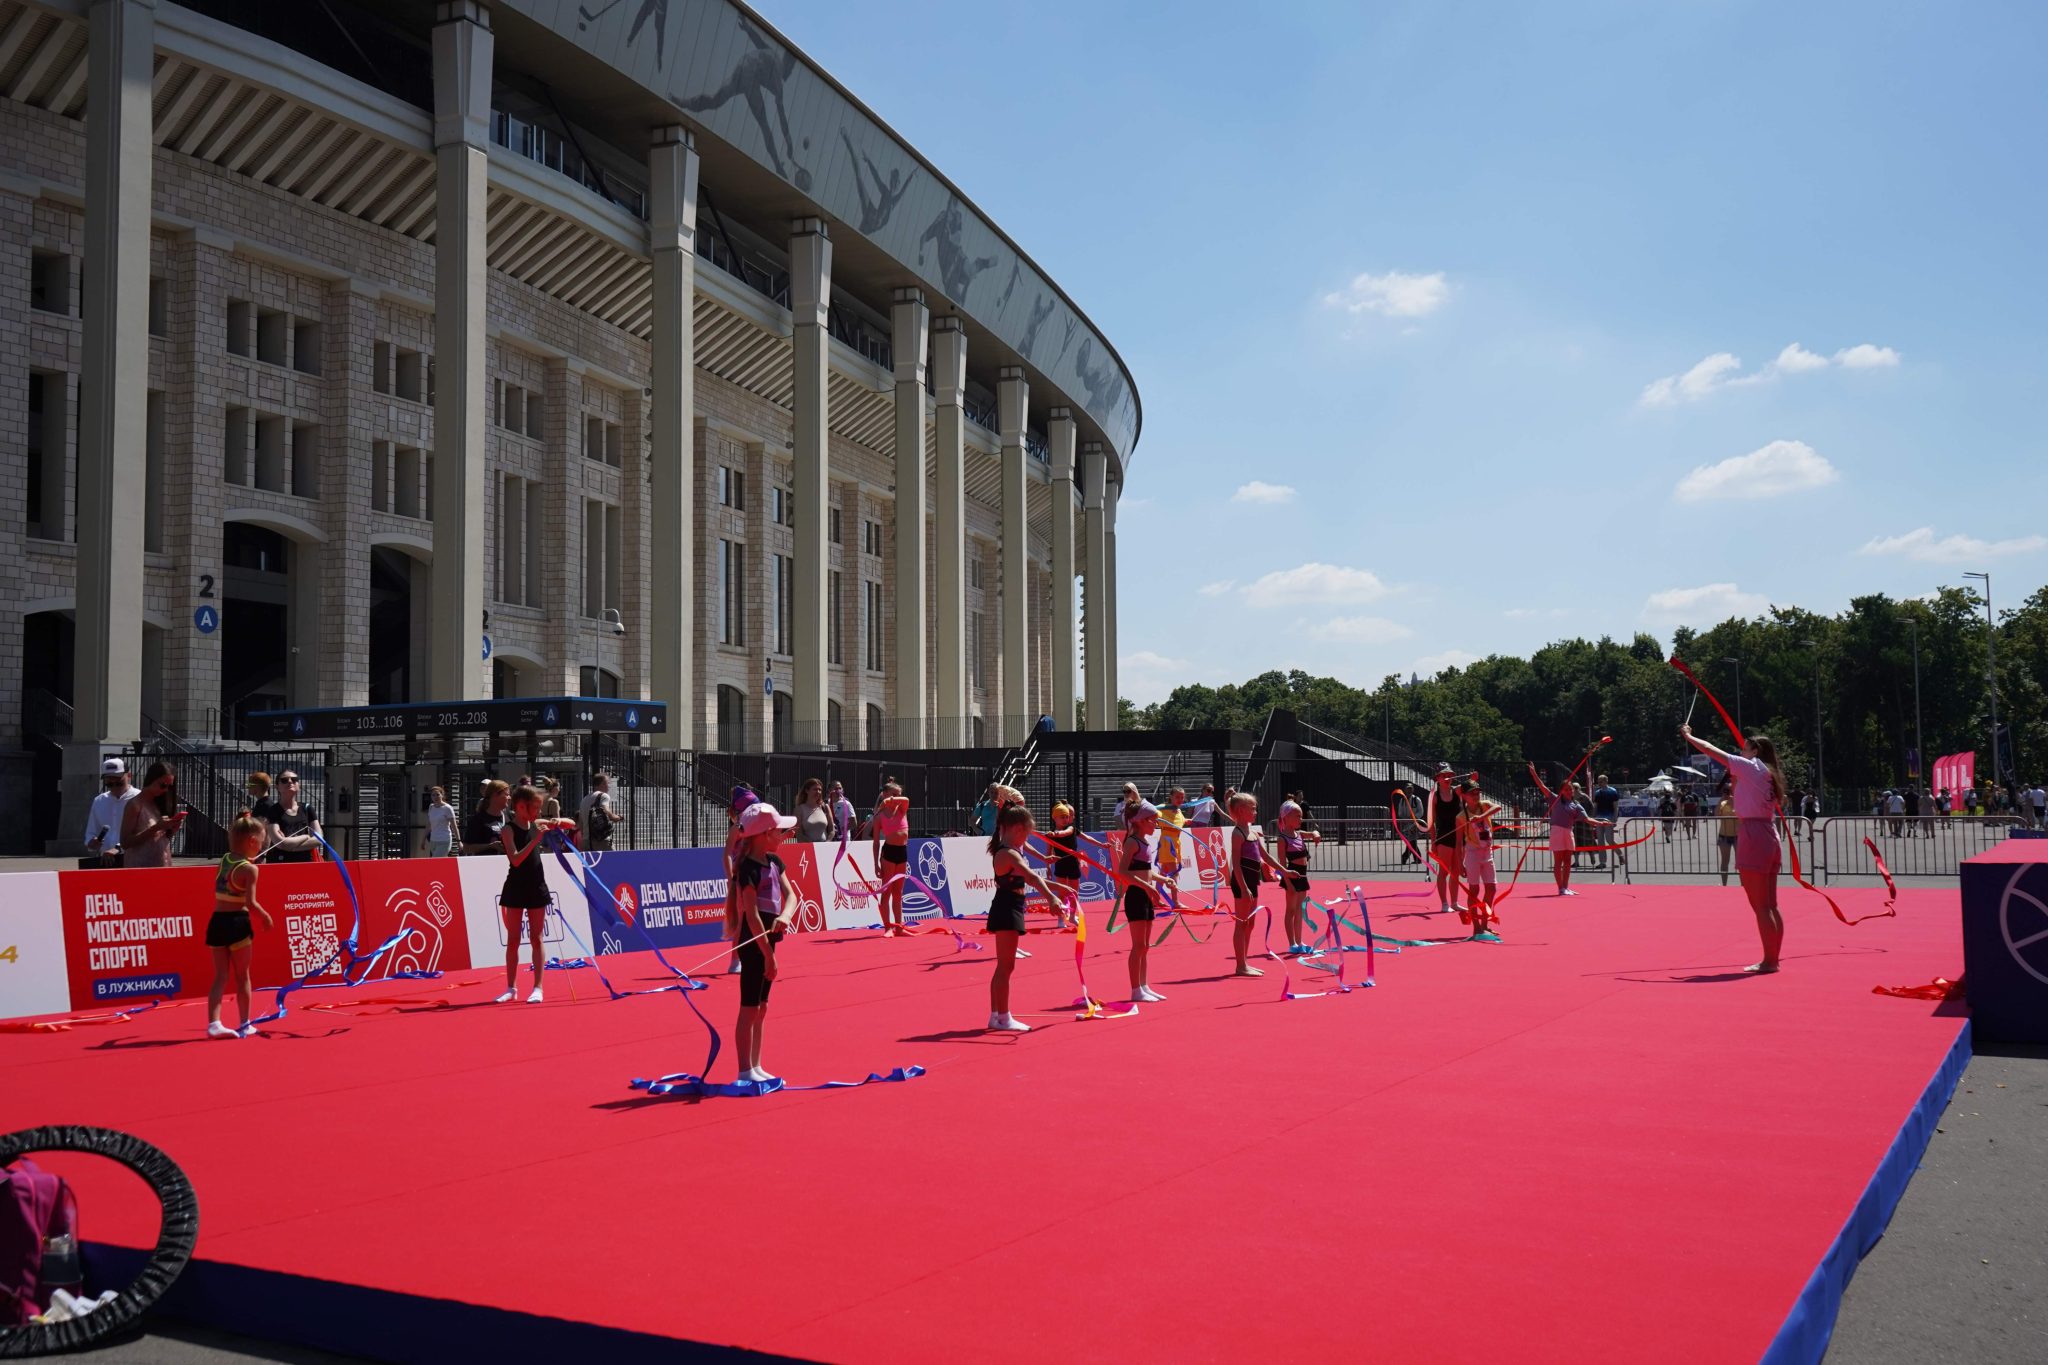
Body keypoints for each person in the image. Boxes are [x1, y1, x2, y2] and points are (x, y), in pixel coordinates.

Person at [1681, 724, 1787, 974]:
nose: (1741, 752)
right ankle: (1773, 958)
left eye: (1745, 748)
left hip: (1753, 834)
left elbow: (1709, 750)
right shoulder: (1767, 772)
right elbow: (1740, 791)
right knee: (1770, 904)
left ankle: (1769, 961)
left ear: (1755, 750)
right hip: (1768, 833)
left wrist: (1688, 735)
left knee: (1760, 905)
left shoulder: (1752, 767)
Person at [729, 802, 801, 1084]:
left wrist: (785, 915)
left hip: (771, 937)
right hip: (754, 941)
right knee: (749, 1006)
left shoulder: (774, 862)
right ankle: (744, 1068)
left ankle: (756, 1064)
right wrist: (768, 956)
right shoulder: (746, 868)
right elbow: (751, 912)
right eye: (778, 832)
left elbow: (792, 896)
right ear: (763, 834)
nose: (783, 836)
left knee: (762, 1006)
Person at [985, 805, 1063, 1032]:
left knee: (1004, 966)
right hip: (1007, 907)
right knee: (1006, 966)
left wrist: (1059, 889)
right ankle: (1004, 1016)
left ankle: (995, 1016)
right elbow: (1030, 877)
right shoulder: (1007, 853)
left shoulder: (1010, 850)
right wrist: (1052, 899)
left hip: (1011, 905)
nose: (1027, 838)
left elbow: (1032, 878)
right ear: (1018, 829)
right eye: (1027, 833)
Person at [494, 785, 575, 1003]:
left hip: (536, 885)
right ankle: (511, 987)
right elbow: (515, 859)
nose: (538, 813)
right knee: (512, 939)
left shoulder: (537, 824)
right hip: (515, 886)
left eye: (540, 808)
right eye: (534, 808)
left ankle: (538, 987)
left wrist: (558, 822)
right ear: (520, 807)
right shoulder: (508, 830)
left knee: (536, 938)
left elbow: (572, 824)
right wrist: (534, 841)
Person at [205, 811, 274, 1039]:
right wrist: (265, 916)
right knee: (242, 975)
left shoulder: (225, 859)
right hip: (237, 923)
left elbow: (233, 875)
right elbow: (250, 902)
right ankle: (245, 1022)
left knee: (220, 976)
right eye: (262, 842)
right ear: (253, 842)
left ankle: (214, 1023)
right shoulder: (250, 869)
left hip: (216, 922)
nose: (262, 845)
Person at [1119, 801, 1168, 1004]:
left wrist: (1161, 879)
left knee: (1146, 945)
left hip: (1146, 896)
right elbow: (1122, 872)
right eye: (1153, 820)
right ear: (1141, 821)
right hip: (1137, 897)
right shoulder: (1132, 842)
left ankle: (1144, 985)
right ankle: (1135, 989)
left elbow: (1146, 872)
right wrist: (1147, 887)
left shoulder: (1145, 842)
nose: (1155, 824)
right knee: (1138, 945)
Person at [1529, 763, 1600, 896]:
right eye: (1566, 789)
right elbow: (1542, 786)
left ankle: (1566, 887)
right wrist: (1533, 773)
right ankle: (1560, 887)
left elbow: (1587, 819)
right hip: (1557, 831)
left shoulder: (1576, 805)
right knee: (1558, 861)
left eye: (1571, 789)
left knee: (1567, 861)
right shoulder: (1555, 799)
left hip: (1568, 832)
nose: (1569, 791)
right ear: (1561, 791)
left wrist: (1601, 824)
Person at [1455, 777, 1503, 941]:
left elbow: (1498, 807)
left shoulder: (1485, 805)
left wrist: (1482, 816)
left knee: (1492, 888)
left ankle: (1484, 924)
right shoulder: (1461, 816)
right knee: (1474, 891)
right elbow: (1459, 842)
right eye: (1471, 794)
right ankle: (1476, 928)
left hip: (1487, 853)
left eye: (1477, 793)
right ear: (1465, 797)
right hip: (1473, 854)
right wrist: (1460, 863)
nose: (1476, 796)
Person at [1225, 792, 1267, 977]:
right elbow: (1236, 862)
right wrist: (1243, 887)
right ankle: (1240, 965)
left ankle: (1245, 962)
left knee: (1250, 923)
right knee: (1241, 924)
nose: (1255, 811)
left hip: (1252, 881)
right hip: (1242, 882)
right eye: (1252, 808)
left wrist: (1285, 870)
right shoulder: (1237, 833)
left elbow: (1266, 857)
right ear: (1241, 811)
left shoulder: (1253, 833)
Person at [119, 762, 186, 869]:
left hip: (162, 866)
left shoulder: (159, 803)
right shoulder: (135, 805)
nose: (165, 790)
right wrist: (156, 828)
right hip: (140, 869)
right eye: (163, 785)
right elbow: (125, 842)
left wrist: (172, 829)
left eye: (169, 786)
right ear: (152, 779)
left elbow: (159, 840)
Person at [1276, 798, 1320, 954]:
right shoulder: (1282, 838)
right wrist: (1287, 883)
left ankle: (1300, 941)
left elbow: (1313, 832)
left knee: (1301, 910)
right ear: (1286, 817)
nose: (1300, 819)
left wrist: (1316, 835)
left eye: (1301, 816)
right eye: (1297, 816)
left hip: (1302, 875)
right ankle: (1292, 942)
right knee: (1291, 910)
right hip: (1291, 875)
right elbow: (1281, 864)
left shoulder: (1299, 834)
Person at [872, 782, 912, 935]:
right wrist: (875, 863)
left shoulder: (902, 808)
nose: (897, 797)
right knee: (886, 891)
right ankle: (888, 926)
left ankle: (899, 927)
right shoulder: (879, 816)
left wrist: (892, 799)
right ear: (884, 794)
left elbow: (906, 799)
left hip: (902, 852)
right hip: (888, 853)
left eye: (898, 794)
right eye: (893, 794)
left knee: (898, 892)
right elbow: (875, 843)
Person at [1040, 801, 1087, 932]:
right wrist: (1048, 867)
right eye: (1063, 817)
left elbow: (1064, 833)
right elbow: (1048, 852)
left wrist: (1056, 834)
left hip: (1073, 863)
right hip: (1060, 864)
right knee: (1061, 893)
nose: (1066, 819)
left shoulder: (1070, 829)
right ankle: (1061, 918)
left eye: (1067, 817)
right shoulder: (1051, 835)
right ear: (1055, 818)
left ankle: (1072, 916)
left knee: (1074, 892)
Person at [82, 757, 138, 863]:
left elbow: (143, 833)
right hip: (107, 861)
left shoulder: (139, 798)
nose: (114, 787)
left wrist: (118, 848)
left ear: (129, 776)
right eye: (109, 784)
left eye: (119, 782)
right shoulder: (99, 801)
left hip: (134, 860)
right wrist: (91, 842)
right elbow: (91, 832)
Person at [261, 770, 324, 862]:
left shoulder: (307, 808)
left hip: (305, 863)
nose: (290, 781)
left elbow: (319, 839)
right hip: (280, 863)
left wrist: (290, 846)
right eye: (284, 780)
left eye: (294, 779)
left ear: (299, 785)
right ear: (277, 787)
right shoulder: (273, 810)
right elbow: (280, 843)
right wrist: (305, 837)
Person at [1427, 765, 1463, 914]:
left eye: (1449, 775)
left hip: (1459, 836)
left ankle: (1454, 902)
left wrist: (1473, 777)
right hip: (1443, 836)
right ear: (1438, 779)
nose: (1447, 778)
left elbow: (1470, 784)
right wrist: (1433, 842)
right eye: (1444, 776)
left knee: (1456, 871)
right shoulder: (1435, 797)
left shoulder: (1456, 792)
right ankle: (1444, 903)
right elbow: (1431, 822)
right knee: (1444, 871)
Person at [461, 780, 511, 856]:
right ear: (495, 795)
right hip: (485, 865)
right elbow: (466, 848)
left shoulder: (510, 817)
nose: (509, 798)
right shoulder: (478, 820)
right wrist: (490, 846)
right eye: (506, 795)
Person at [578, 771, 618, 851]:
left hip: (586, 841)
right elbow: (606, 810)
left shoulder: (584, 799)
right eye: (607, 783)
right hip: (601, 840)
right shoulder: (603, 796)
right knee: (612, 862)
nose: (609, 786)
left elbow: (580, 822)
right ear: (602, 784)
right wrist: (616, 817)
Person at [1590, 775, 1621, 869]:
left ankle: (1620, 854)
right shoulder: (1597, 793)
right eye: (1598, 781)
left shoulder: (1613, 791)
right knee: (1600, 841)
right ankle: (1602, 862)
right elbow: (1595, 807)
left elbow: (1616, 807)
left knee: (1609, 839)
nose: (1599, 783)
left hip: (1609, 818)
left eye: (1601, 781)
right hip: (1599, 819)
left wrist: (1615, 819)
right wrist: (1592, 819)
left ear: (1606, 781)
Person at [421, 786, 456, 857]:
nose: (435, 797)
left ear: (442, 795)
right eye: (433, 795)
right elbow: (429, 825)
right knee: (440, 863)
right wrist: (423, 840)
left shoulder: (447, 808)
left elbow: (454, 826)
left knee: (435, 861)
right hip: (433, 840)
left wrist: (459, 841)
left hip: (444, 840)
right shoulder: (431, 807)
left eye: (437, 794)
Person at [1714, 787, 1739, 886]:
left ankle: (1743, 885)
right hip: (1724, 835)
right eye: (1725, 791)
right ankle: (1724, 885)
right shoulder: (1722, 803)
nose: (1727, 793)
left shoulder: (1737, 801)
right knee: (1725, 861)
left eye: (1729, 791)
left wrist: (1734, 800)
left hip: (1737, 835)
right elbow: (1716, 815)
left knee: (1740, 862)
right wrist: (1721, 800)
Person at [793, 778, 831, 842]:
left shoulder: (825, 807)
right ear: (807, 791)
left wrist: (827, 842)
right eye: (815, 789)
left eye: (820, 790)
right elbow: (798, 834)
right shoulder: (799, 810)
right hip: (807, 849)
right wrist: (813, 846)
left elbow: (832, 830)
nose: (818, 792)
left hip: (825, 848)